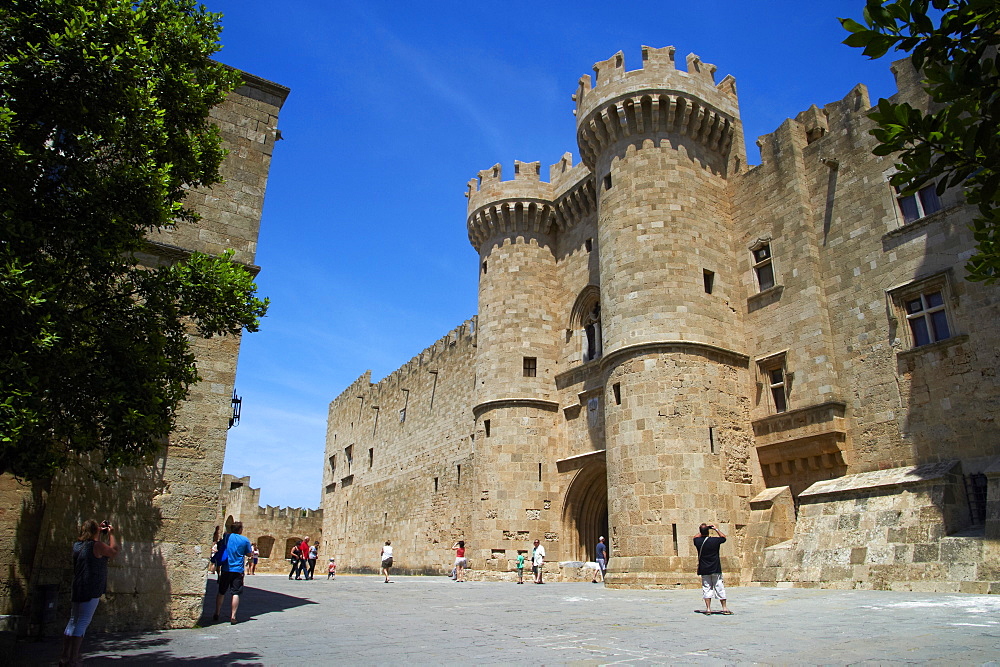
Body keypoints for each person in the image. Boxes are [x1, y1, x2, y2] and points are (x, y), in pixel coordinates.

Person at [59, 519, 119, 667]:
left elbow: (91, 547)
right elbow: (114, 551)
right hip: (91, 588)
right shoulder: (97, 546)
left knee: (73, 621)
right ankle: (73, 659)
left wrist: (97, 532)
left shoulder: (77, 545)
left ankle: (64, 657)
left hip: (78, 587)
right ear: (94, 531)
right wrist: (111, 534)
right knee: (83, 622)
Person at [214, 521, 253, 624]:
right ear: (240, 530)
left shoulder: (227, 537)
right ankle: (233, 616)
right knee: (235, 593)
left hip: (226, 568)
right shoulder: (245, 540)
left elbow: (219, 546)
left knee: (221, 592)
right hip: (238, 570)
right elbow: (249, 554)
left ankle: (217, 612)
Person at [692, 523, 732, 615]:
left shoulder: (698, 541)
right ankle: (724, 608)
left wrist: (703, 531)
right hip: (715, 568)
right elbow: (723, 537)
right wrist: (715, 529)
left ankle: (708, 609)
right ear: (708, 531)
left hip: (704, 569)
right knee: (719, 587)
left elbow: (695, 537)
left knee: (706, 588)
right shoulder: (714, 541)